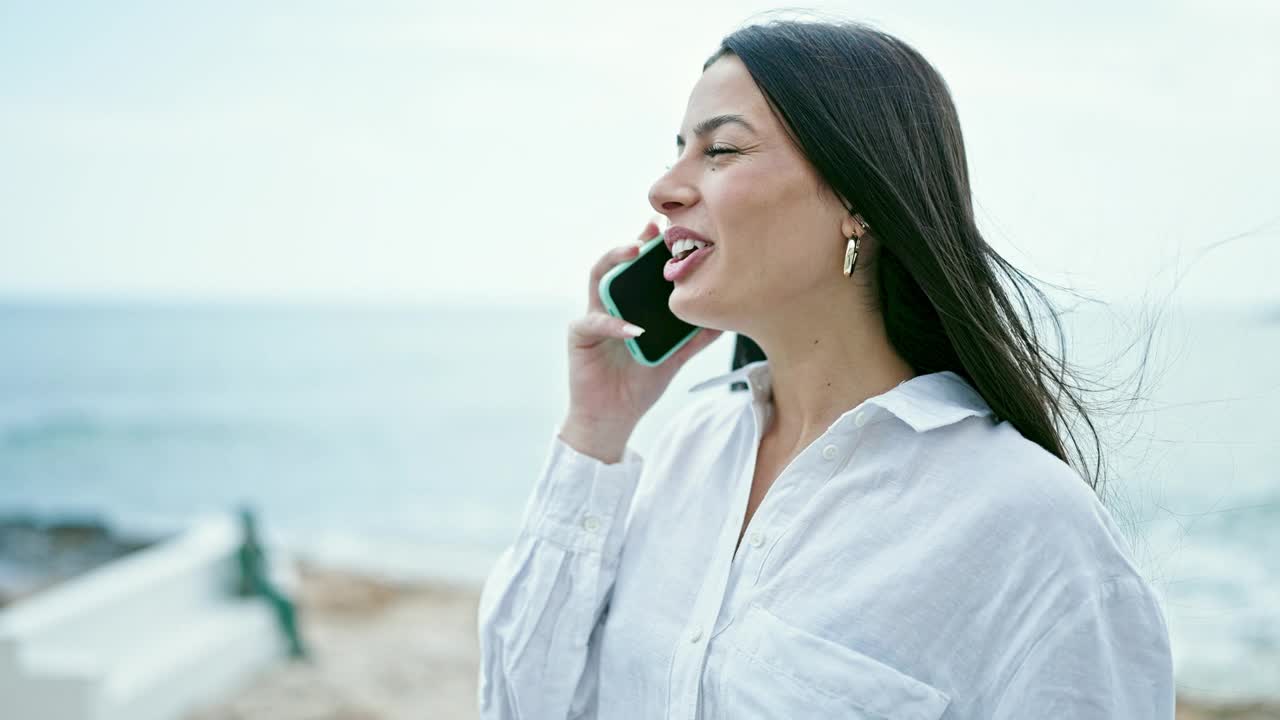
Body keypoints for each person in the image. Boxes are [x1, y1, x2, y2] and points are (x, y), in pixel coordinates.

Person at [476, 16, 1174, 719]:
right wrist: (598, 427)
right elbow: (519, 704)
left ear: (858, 199)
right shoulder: (692, 455)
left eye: (719, 150)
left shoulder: (1031, 526)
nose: (664, 189)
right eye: (678, 150)